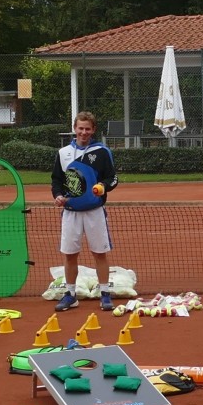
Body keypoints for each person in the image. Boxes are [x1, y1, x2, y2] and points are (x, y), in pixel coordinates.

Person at [49, 111, 120, 312]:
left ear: (93, 130)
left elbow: (112, 178)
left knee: (100, 253)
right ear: (75, 128)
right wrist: (58, 195)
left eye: (88, 128)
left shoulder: (102, 152)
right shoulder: (63, 153)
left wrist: (103, 186)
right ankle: (70, 294)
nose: (84, 132)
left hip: (94, 211)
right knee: (70, 255)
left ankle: (105, 293)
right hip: (70, 212)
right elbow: (56, 179)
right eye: (80, 128)